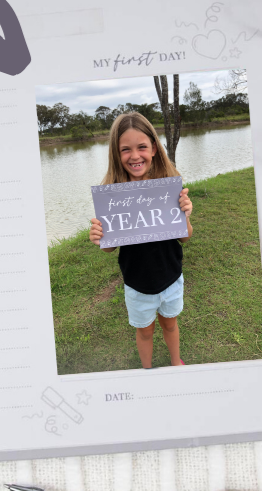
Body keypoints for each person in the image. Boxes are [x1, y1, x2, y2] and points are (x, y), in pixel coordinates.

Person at [88, 111, 194, 369]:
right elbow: (110, 247)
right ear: (116, 154)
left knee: (170, 324)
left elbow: (185, 237)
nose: (135, 156)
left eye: (142, 147)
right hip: (137, 285)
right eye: (125, 150)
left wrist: (186, 215)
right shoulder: (112, 197)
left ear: (154, 149)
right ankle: (146, 370)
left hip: (170, 277)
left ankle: (175, 363)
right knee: (145, 331)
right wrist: (100, 237)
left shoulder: (168, 188)